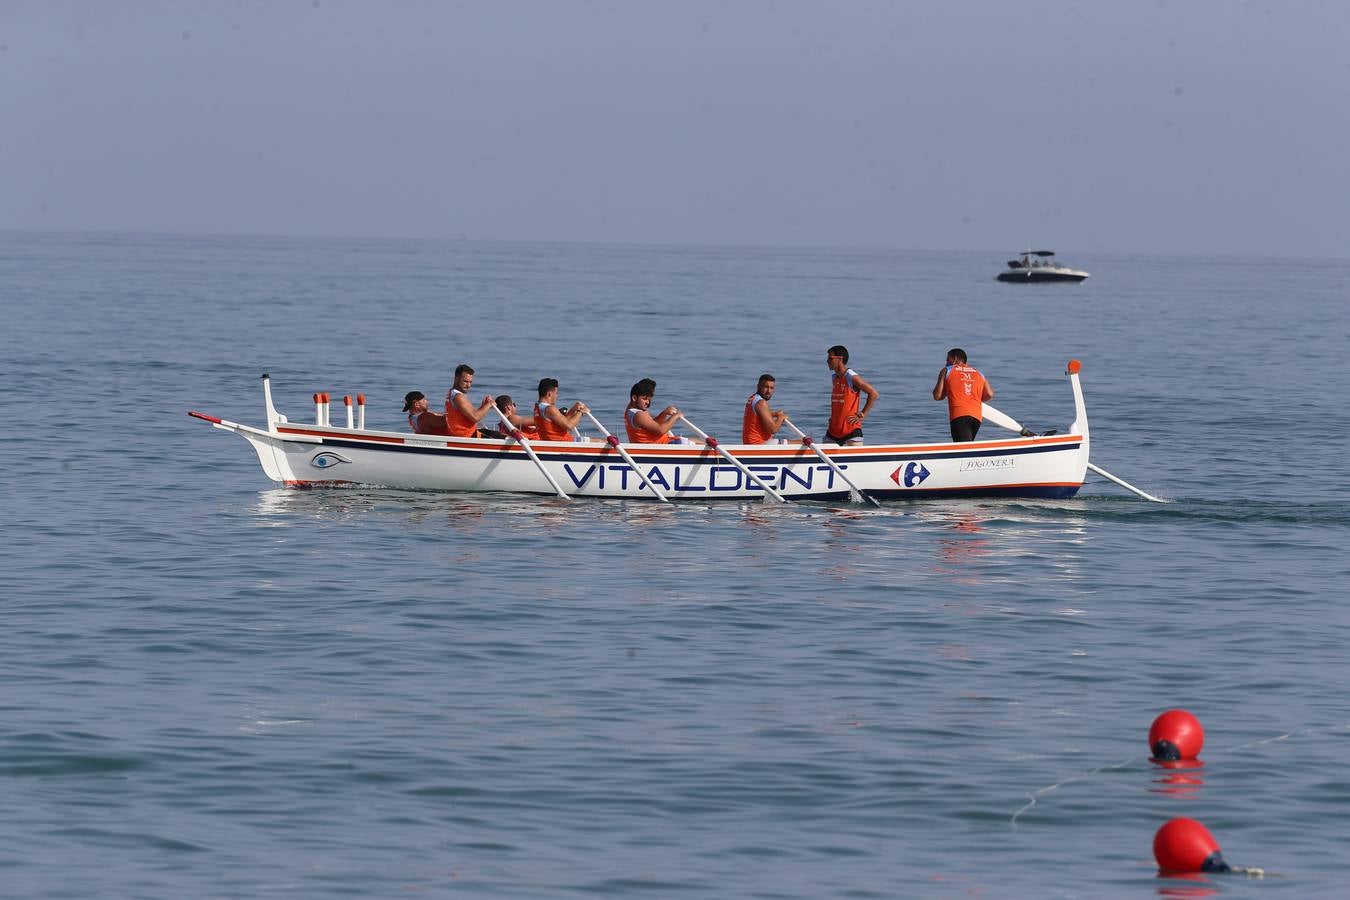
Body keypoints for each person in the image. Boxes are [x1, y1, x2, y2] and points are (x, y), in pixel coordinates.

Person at [932, 347, 994, 442]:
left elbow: (937, 396)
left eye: (948, 360)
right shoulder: (979, 373)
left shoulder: (947, 370)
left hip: (959, 415)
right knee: (966, 444)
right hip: (977, 417)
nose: (946, 363)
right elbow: (990, 394)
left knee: (963, 448)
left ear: (955, 359)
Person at [825, 345, 878, 445]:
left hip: (851, 431)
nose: (827, 361)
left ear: (840, 359)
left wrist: (862, 414)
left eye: (830, 358)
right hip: (833, 431)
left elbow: (873, 393)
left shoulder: (851, 376)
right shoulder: (834, 377)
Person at [624, 378, 688, 444]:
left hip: (662, 443)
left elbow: (652, 425)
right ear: (634, 398)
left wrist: (664, 413)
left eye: (649, 399)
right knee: (698, 442)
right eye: (644, 399)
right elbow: (661, 430)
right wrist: (675, 416)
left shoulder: (629, 411)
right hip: (663, 446)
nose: (647, 402)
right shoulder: (639, 414)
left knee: (697, 441)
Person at [444, 364, 498, 438]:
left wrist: (484, 405)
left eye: (470, 382)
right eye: (465, 381)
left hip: (467, 433)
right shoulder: (459, 397)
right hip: (466, 436)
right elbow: (475, 417)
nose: (468, 385)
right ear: (456, 379)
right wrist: (489, 404)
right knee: (505, 439)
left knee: (503, 436)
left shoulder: (452, 392)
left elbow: (473, 415)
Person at [742, 373, 789, 444]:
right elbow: (773, 430)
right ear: (758, 387)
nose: (769, 391)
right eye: (766, 387)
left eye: (771, 388)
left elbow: (759, 415)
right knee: (804, 444)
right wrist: (781, 417)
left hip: (751, 443)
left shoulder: (752, 398)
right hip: (759, 445)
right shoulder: (761, 403)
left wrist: (775, 414)